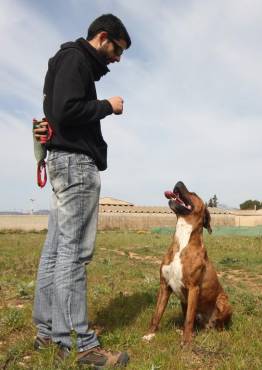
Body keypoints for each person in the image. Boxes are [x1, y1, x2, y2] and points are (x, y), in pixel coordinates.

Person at [32, 14, 131, 368]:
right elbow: (67, 109)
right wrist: (108, 106)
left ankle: (47, 332)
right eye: (117, 50)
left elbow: (55, 112)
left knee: (56, 251)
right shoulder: (75, 58)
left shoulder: (64, 60)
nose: (117, 59)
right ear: (103, 37)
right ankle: (77, 342)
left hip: (62, 162)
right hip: (75, 166)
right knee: (74, 253)